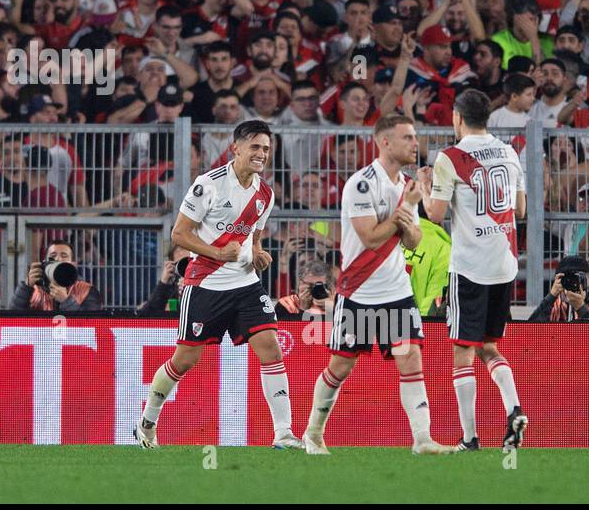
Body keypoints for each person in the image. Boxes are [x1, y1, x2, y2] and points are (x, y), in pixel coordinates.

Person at [136, 120, 298, 450]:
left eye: (266, 149)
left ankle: (283, 433)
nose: (261, 154)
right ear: (235, 148)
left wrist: (258, 253)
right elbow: (179, 234)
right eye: (255, 147)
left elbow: (255, 235)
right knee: (185, 360)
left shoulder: (265, 194)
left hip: (246, 285)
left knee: (271, 346)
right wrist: (217, 253)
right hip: (205, 284)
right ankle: (147, 422)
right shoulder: (207, 185)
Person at [302, 114, 452, 456]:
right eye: (408, 138)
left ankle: (422, 439)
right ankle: (312, 433)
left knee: (411, 358)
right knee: (341, 366)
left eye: (415, 137)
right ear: (384, 142)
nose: (416, 144)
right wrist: (406, 208)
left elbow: (413, 240)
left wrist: (409, 213)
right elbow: (369, 238)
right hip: (359, 291)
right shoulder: (362, 184)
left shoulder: (406, 185)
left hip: (397, 291)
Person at [420, 88, 528, 453]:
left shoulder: (450, 157)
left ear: (458, 118)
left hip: (470, 268)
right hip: (504, 263)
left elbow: (434, 215)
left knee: (463, 352)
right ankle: (513, 407)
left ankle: (469, 437)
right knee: (489, 346)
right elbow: (521, 208)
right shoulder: (509, 152)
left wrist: (423, 188)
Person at [10, 240, 103, 311]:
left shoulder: (86, 290)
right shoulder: (34, 288)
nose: (58, 259)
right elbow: (11, 318)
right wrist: (26, 287)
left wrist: (66, 301)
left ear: (73, 264)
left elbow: (93, 324)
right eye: (53, 256)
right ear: (44, 262)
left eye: (64, 255)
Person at [529, 256, 589, 322]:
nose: (573, 283)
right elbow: (529, 331)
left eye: (577, 279)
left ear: (588, 280)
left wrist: (581, 308)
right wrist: (551, 296)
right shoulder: (554, 305)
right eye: (567, 280)